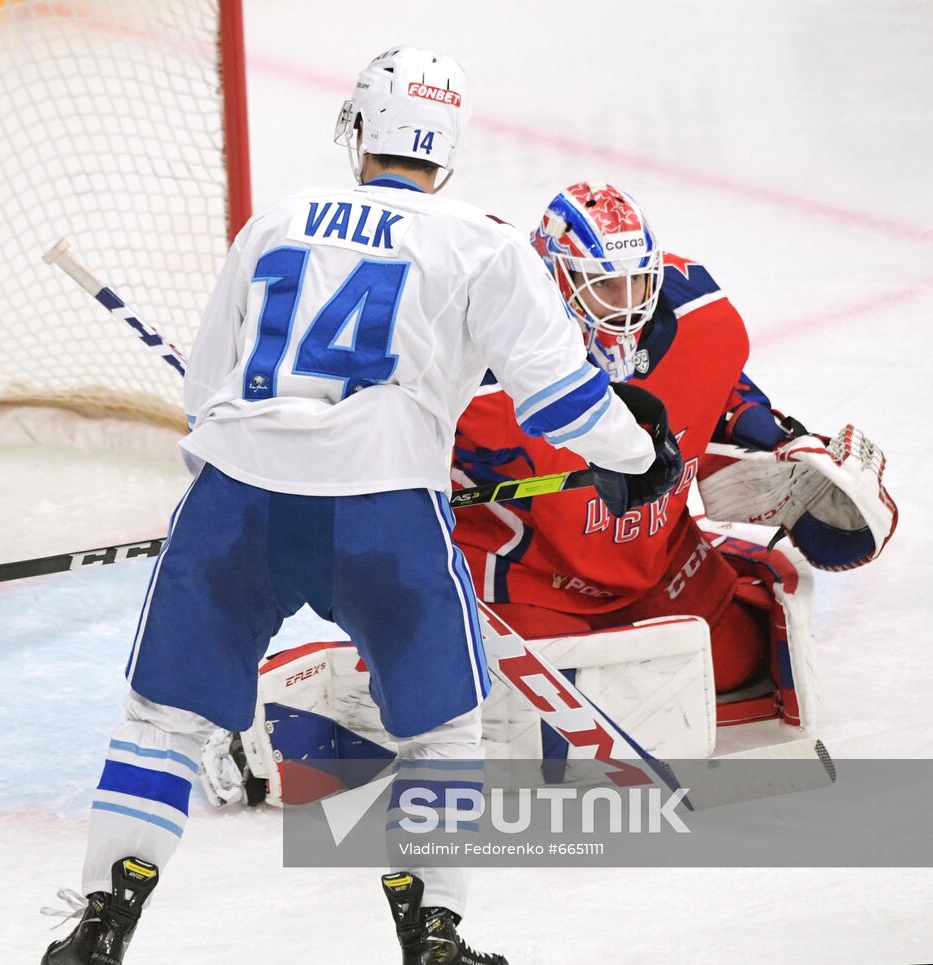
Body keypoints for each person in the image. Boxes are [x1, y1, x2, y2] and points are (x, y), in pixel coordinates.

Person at [41, 52, 680, 965]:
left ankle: (100, 927)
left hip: (235, 504)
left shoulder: (275, 221)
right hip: (383, 513)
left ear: (361, 132)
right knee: (441, 727)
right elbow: (563, 401)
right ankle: (434, 938)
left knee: (163, 723)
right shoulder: (479, 241)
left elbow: (205, 397)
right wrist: (639, 454)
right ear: (446, 148)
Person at [205, 182, 898, 809]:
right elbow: (372, 437)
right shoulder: (480, 360)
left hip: (655, 558)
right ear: (557, 284)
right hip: (528, 578)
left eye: (637, 286)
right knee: (515, 739)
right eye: (604, 288)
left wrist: (783, 442)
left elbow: (722, 392)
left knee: (743, 662)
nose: (627, 308)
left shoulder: (702, 315)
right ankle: (288, 698)